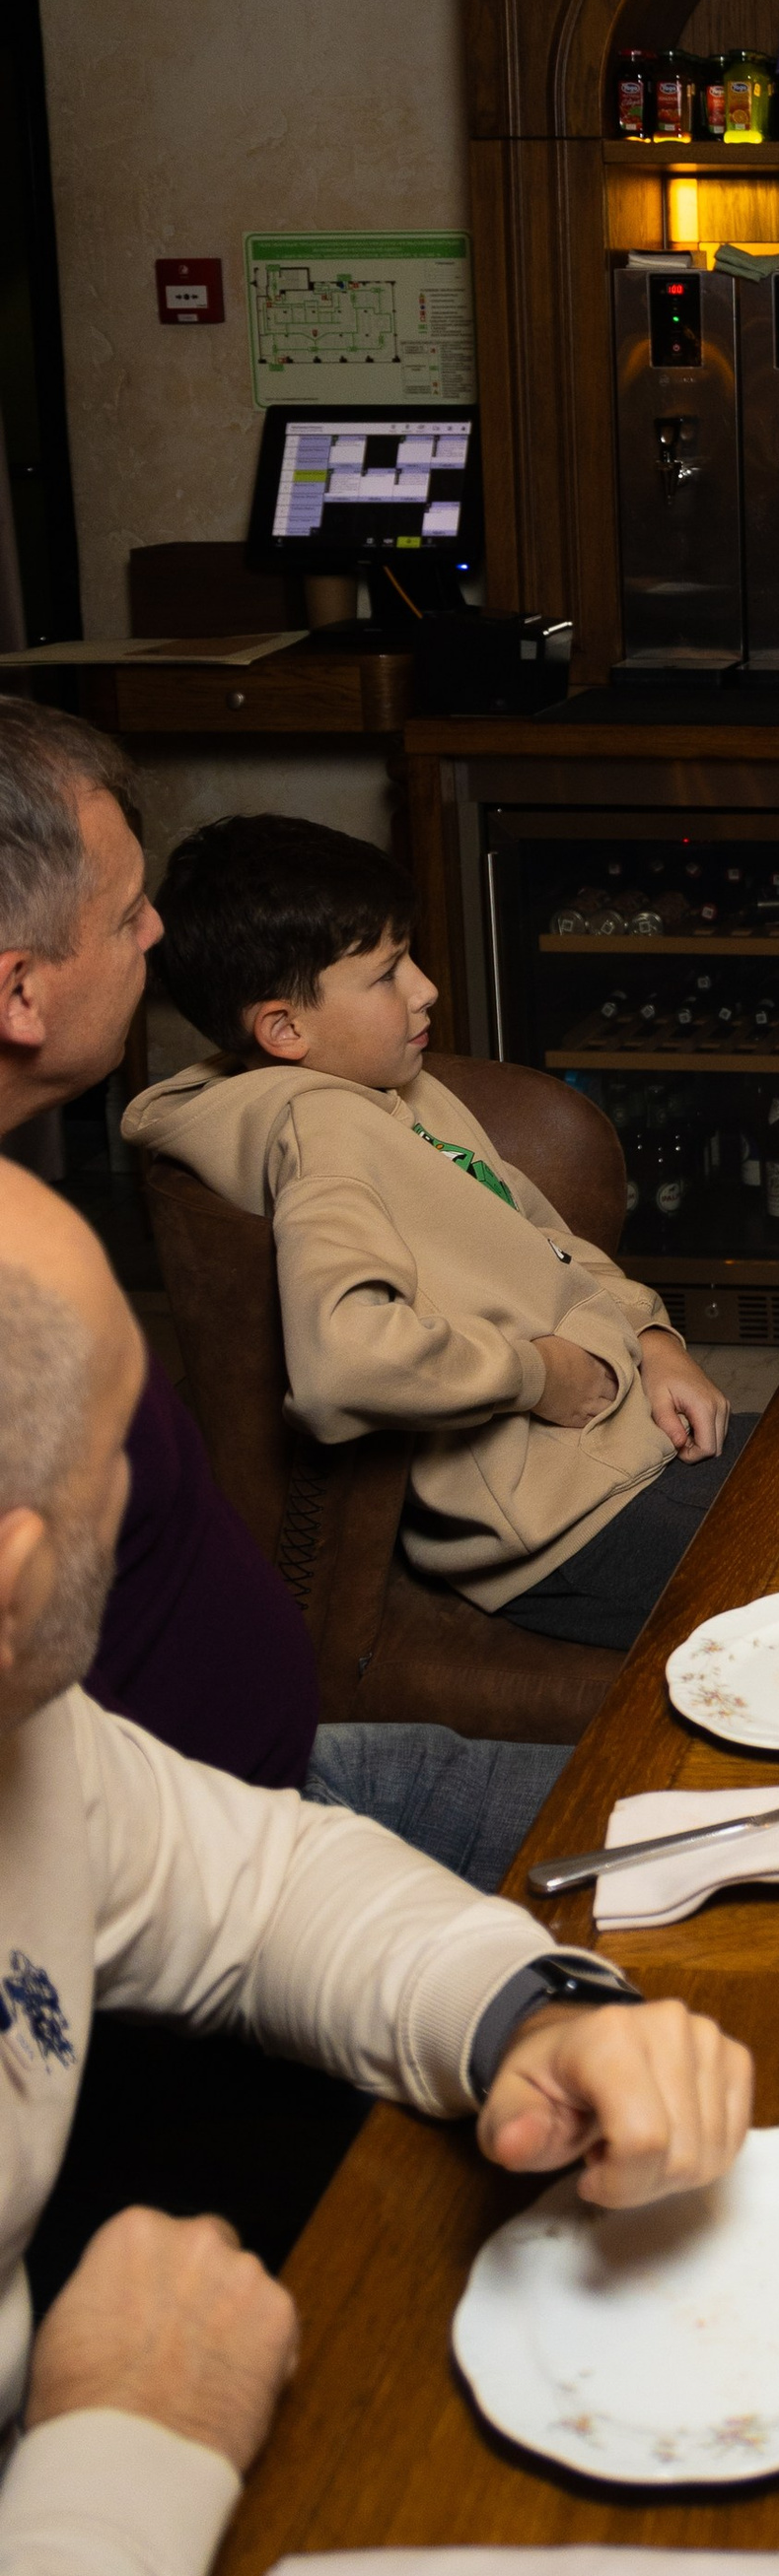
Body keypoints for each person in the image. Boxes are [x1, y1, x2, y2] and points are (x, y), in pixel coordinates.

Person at [0, 1172, 753, 2576]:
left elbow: (260, 1883)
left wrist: (531, 2011)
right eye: (130, 1449)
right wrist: (130, 2437)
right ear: (21, 1566)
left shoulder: (29, 1731)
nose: (159, 1495)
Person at [0, 700, 559, 1872]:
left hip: (272, 1790)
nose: (158, 934)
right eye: (123, 914)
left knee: (701, 1819)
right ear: (19, 992)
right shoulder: (28, 1278)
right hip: (201, 1854)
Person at [125, 813, 738, 1656]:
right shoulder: (324, 1137)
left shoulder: (395, 1091)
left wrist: (650, 1334)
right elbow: (344, 1360)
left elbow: (540, 1231)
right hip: (571, 1523)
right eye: (384, 974)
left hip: (629, 1441)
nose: (424, 989)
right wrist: (536, 1374)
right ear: (284, 1030)